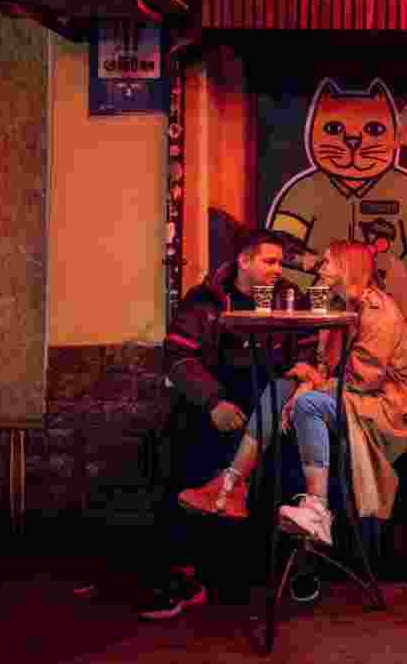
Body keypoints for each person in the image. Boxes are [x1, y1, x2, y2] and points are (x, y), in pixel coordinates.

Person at [179, 239, 407, 554]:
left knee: (306, 404)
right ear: (243, 261)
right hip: (347, 395)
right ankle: (232, 483)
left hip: (384, 407)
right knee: (282, 386)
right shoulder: (336, 304)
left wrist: (308, 388)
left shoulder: (378, 313)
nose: (321, 267)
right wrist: (305, 378)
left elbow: (362, 381)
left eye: (328, 262)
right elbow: (322, 364)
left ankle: (317, 509)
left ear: (347, 268)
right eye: (270, 262)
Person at [138, 228, 313, 620]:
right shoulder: (204, 301)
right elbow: (179, 359)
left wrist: (304, 372)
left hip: (271, 399)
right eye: (269, 261)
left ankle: (288, 572)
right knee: (176, 448)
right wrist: (213, 401)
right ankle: (184, 578)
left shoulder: (291, 298)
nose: (277, 270)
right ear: (244, 261)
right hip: (220, 399)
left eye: (280, 262)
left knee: (293, 456)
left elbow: (306, 351)